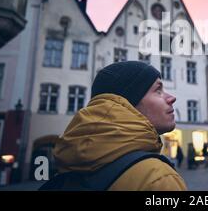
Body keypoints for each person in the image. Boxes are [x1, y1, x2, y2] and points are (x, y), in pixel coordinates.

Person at [51, 61, 187, 190]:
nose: (171, 98)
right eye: (158, 90)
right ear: (127, 103)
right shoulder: (157, 178)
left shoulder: (69, 165)